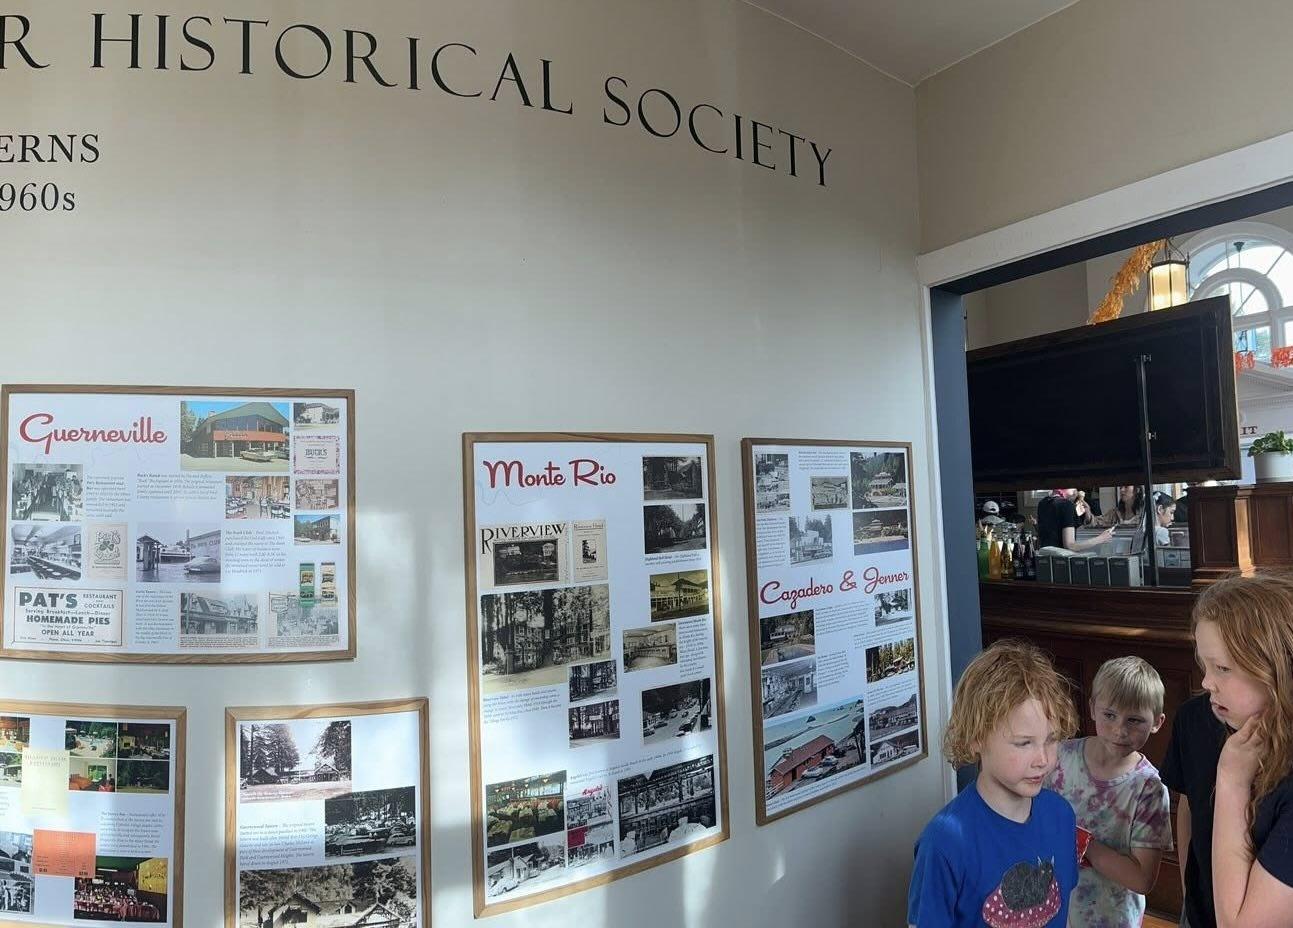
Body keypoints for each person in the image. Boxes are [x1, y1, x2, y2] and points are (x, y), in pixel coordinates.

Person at [908, 639, 1079, 928]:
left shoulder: (1061, 815)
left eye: (1051, 740)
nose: (1043, 759)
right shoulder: (944, 841)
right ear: (976, 737)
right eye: (1023, 743)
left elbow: (1064, 914)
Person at [1190, 575, 1293, 928]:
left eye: (1222, 668)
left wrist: (1232, 781)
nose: (1206, 682)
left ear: (1276, 671)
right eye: (1205, 666)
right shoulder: (1227, 731)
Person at [1044, 656, 1173, 926]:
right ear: (1092, 708)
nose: (1119, 730)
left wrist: (1084, 844)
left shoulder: (1149, 788)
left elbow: (1142, 879)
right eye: (1110, 715)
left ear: (1157, 722)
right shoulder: (1059, 757)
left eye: (1134, 720)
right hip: (1051, 910)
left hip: (1112, 918)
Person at [1036, 488, 1114, 553]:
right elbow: (1070, 546)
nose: (1076, 491)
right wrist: (1101, 539)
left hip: (1045, 559)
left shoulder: (1042, 503)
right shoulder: (1066, 505)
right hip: (1061, 561)